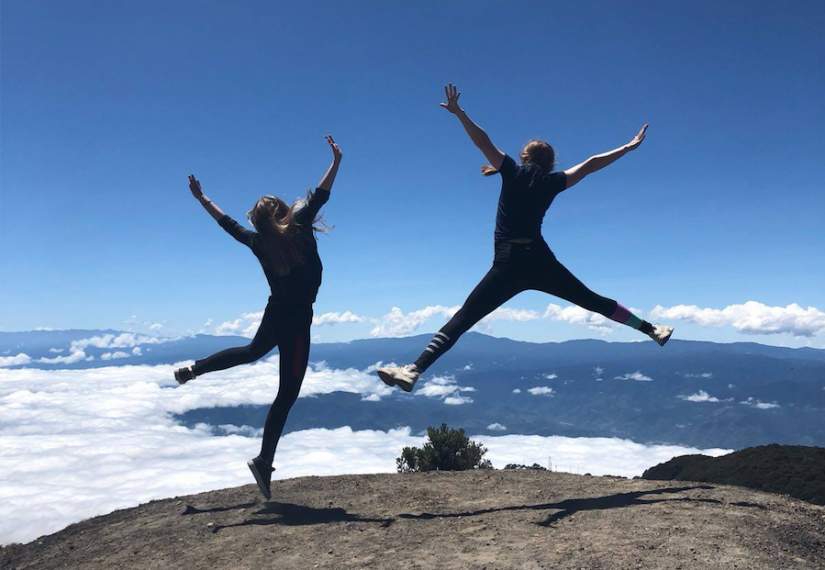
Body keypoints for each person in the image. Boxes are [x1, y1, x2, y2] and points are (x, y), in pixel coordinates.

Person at [377, 84, 673, 393]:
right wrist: (626, 148)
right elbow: (591, 163)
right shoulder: (553, 182)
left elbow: (483, 141)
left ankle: (414, 370)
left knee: (464, 318)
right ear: (549, 163)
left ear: (524, 155)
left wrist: (459, 114)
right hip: (540, 260)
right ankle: (652, 329)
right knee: (592, 301)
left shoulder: (511, 172)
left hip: (508, 264)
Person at [174, 135, 342, 499]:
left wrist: (202, 199)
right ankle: (264, 461)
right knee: (287, 394)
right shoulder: (299, 226)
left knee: (252, 352)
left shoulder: (258, 242)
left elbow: (228, 224)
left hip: (275, 314)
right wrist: (336, 160)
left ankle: (195, 369)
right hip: (297, 323)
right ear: (283, 210)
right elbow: (321, 193)